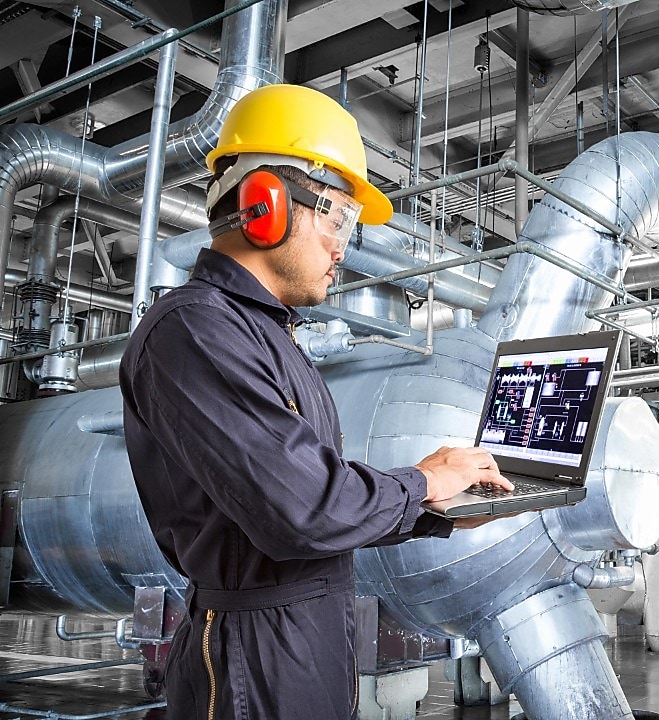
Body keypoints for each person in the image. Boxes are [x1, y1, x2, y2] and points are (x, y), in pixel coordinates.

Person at [119, 83, 513, 720]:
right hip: (254, 662)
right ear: (265, 204)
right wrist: (421, 482)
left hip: (303, 641)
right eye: (338, 219)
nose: (343, 247)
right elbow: (303, 510)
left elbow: (316, 503)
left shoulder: (266, 336)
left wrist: (439, 509)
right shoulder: (193, 332)